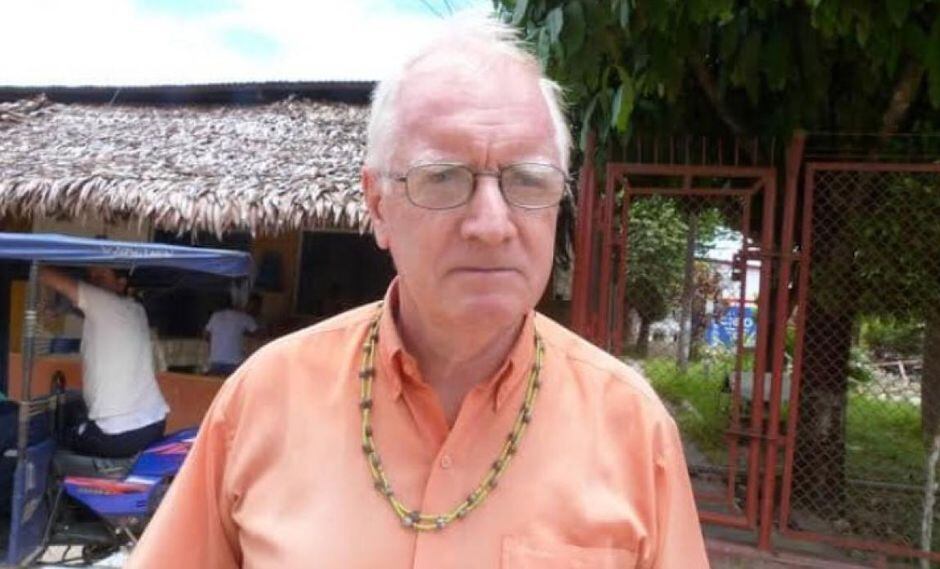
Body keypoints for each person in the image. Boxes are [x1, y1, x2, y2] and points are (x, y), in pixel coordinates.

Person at [129, 13, 708, 568]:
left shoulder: (633, 428)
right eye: (444, 177)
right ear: (378, 205)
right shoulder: (264, 398)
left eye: (529, 180)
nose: (491, 224)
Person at [39, 266, 169, 458]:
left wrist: (31, 260)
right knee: (75, 405)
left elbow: (45, 274)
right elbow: (76, 305)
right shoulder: (134, 309)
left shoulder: (105, 304)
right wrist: (57, 308)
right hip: (153, 423)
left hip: (118, 434)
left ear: (121, 284)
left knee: (53, 439)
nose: (93, 281)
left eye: (101, 276)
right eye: (90, 276)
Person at [204, 297, 259, 376]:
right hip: (235, 362)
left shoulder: (215, 316)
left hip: (215, 361)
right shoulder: (244, 317)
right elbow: (259, 335)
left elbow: (206, 335)